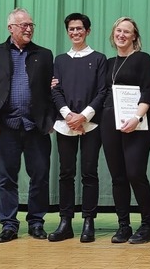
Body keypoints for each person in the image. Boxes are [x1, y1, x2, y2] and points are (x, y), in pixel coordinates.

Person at [0, 8, 55, 243]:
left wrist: (50, 120)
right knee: (7, 178)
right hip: (5, 126)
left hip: (36, 126)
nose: (28, 28)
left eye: (31, 25)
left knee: (39, 176)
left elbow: (52, 91)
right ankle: (9, 224)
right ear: (11, 28)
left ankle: (36, 222)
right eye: (23, 25)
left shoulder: (45, 54)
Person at [48, 13, 107, 243]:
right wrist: (68, 115)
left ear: (88, 31)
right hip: (65, 124)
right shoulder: (60, 60)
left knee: (89, 173)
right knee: (66, 173)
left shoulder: (100, 58)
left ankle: (89, 221)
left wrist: (83, 116)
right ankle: (65, 222)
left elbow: (102, 91)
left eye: (79, 29)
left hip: (91, 124)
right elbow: (55, 89)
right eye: (71, 29)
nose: (75, 33)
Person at [101, 17, 150, 244]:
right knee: (118, 177)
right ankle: (123, 225)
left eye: (127, 31)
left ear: (135, 36)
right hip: (109, 124)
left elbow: (149, 92)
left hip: (138, 124)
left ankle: (148, 225)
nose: (121, 35)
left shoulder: (143, 59)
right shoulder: (108, 62)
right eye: (118, 31)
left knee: (135, 173)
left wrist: (136, 117)